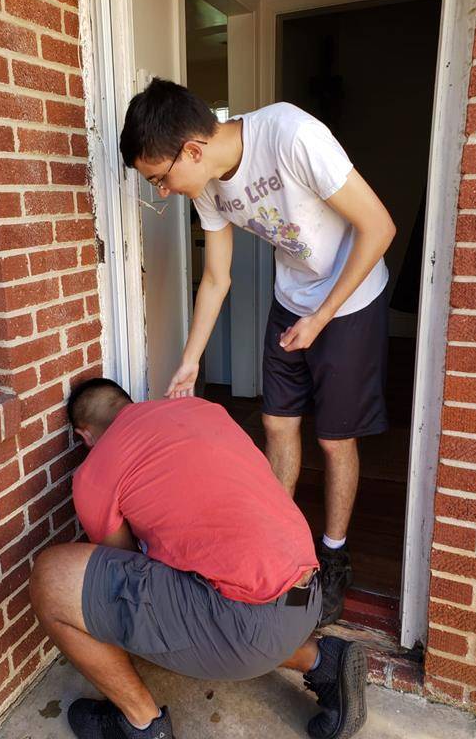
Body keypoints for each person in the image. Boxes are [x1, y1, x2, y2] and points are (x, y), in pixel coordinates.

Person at [119, 79, 396, 625]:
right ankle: (278, 544)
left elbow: (379, 226)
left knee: (335, 438)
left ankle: (334, 554)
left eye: (160, 179)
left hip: (352, 295)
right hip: (292, 298)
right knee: (276, 424)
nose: (164, 193)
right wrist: (191, 359)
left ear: (192, 151)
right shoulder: (206, 184)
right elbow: (217, 277)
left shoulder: (291, 136)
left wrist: (321, 318)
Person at [30, 378, 368, 739]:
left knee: (51, 580)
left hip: (247, 629)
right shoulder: (200, 410)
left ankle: (141, 724)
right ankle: (323, 661)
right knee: (221, 578)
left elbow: (124, 572)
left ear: (85, 436)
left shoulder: (95, 470)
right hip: (308, 596)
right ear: (131, 404)